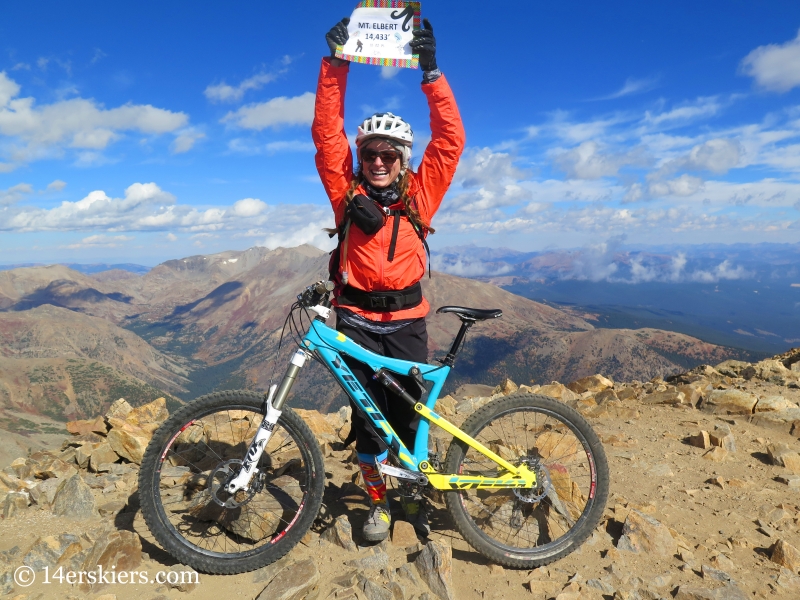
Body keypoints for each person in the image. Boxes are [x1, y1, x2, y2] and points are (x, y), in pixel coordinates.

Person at [312, 16, 465, 542]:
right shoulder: (345, 194)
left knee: (405, 412)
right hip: (354, 316)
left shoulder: (420, 197)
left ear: (403, 161)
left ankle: (412, 490)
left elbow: (451, 139)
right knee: (364, 418)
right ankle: (378, 503)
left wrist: (432, 74)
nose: (377, 161)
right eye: (369, 154)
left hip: (405, 320)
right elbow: (326, 132)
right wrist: (334, 64)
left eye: (389, 155)